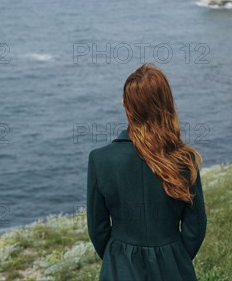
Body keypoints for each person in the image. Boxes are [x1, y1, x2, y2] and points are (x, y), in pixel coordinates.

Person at [87, 63, 207, 281]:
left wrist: (118, 262)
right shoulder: (184, 159)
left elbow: (97, 229)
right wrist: (175, 257)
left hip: (119, 270)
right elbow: (195, 228)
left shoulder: (100, 159)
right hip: (174, 269)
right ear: (166, 103)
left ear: (127, 105)